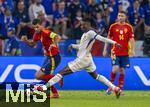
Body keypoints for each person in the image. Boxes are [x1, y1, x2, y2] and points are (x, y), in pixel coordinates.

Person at [36, 18, 122, 99]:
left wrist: (114, 42)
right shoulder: (85, 34)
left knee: (61, 73)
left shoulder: (91, 33)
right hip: (88, 59)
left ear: (88, 24)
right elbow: (82, 47)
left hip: (82, 60)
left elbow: (102, 39)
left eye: (83, 25)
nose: (81, 27)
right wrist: (73, 46)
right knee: (96, 76)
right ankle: (115, 88)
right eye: (81, 25)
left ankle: (44, 88)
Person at [21, 18, 62, 98]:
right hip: (48, 57)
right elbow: (32, 44)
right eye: (34, 28)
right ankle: (55, 93)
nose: (35, 29)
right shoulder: (36, 34)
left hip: (54, 57)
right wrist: (26, 41)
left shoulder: (46, 32)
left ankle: (58, 77)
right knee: (45, 76)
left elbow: (57, 37)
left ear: (41, 25)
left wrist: (54, 44)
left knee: (38, 76)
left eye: (37, 27)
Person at [103, 11, 135, 95]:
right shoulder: (113, 26)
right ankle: (110, 87)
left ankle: (119, 90)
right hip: (115, 51)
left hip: (125, 53)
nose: (120, 17)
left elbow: (132, 40)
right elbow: (108, 38)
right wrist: (105, 49)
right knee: (115, 68)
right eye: (119, 15)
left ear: (125, 17)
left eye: (122, 16)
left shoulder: (129, 27)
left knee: (122, 71)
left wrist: (132, 50)